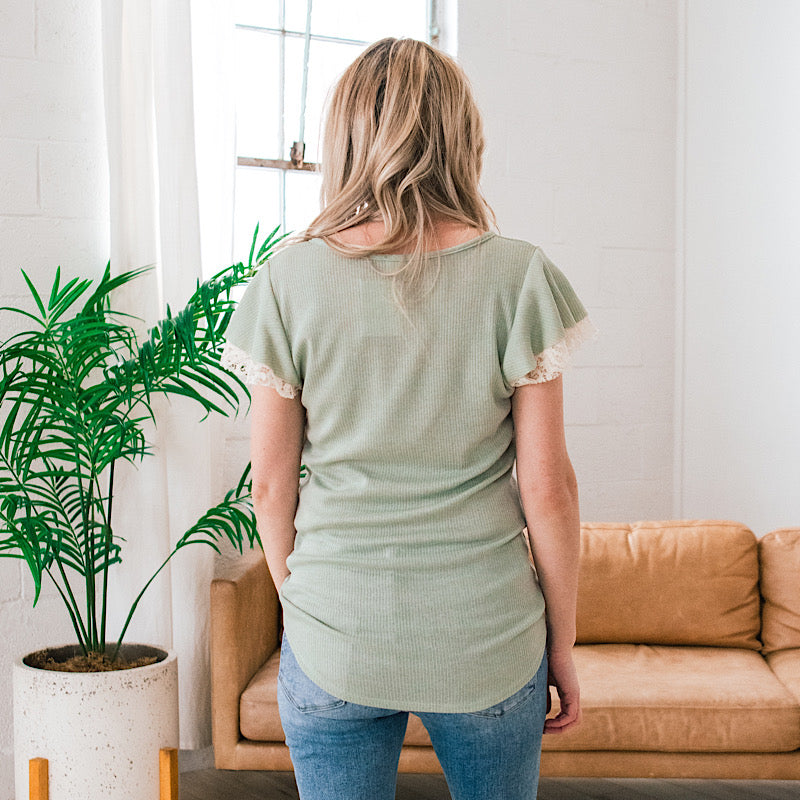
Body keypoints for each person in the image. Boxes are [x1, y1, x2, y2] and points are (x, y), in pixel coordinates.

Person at [222, 37, 593, 800]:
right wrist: (562, 641)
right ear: (461, 136)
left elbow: (269, 488)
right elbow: (548, 490)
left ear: (344, 137)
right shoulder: (518, 275)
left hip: (335, 637)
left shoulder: (287, 280)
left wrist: (307, 608)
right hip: (487, 639)